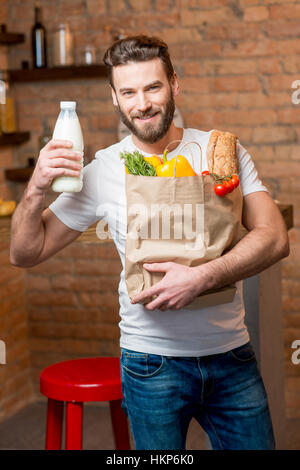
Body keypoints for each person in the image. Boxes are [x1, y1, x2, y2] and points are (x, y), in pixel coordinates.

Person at [10, 35, 289, 450]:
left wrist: (202, 277)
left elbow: (275, 237)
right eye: (128, 92)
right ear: (115, 98)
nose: (142, 103)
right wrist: (35, 189)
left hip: (231, 354)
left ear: (174, 84)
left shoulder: (220, 151)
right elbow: (25, 252)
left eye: (153, 87)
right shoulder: (104, 168)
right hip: (150, 364)